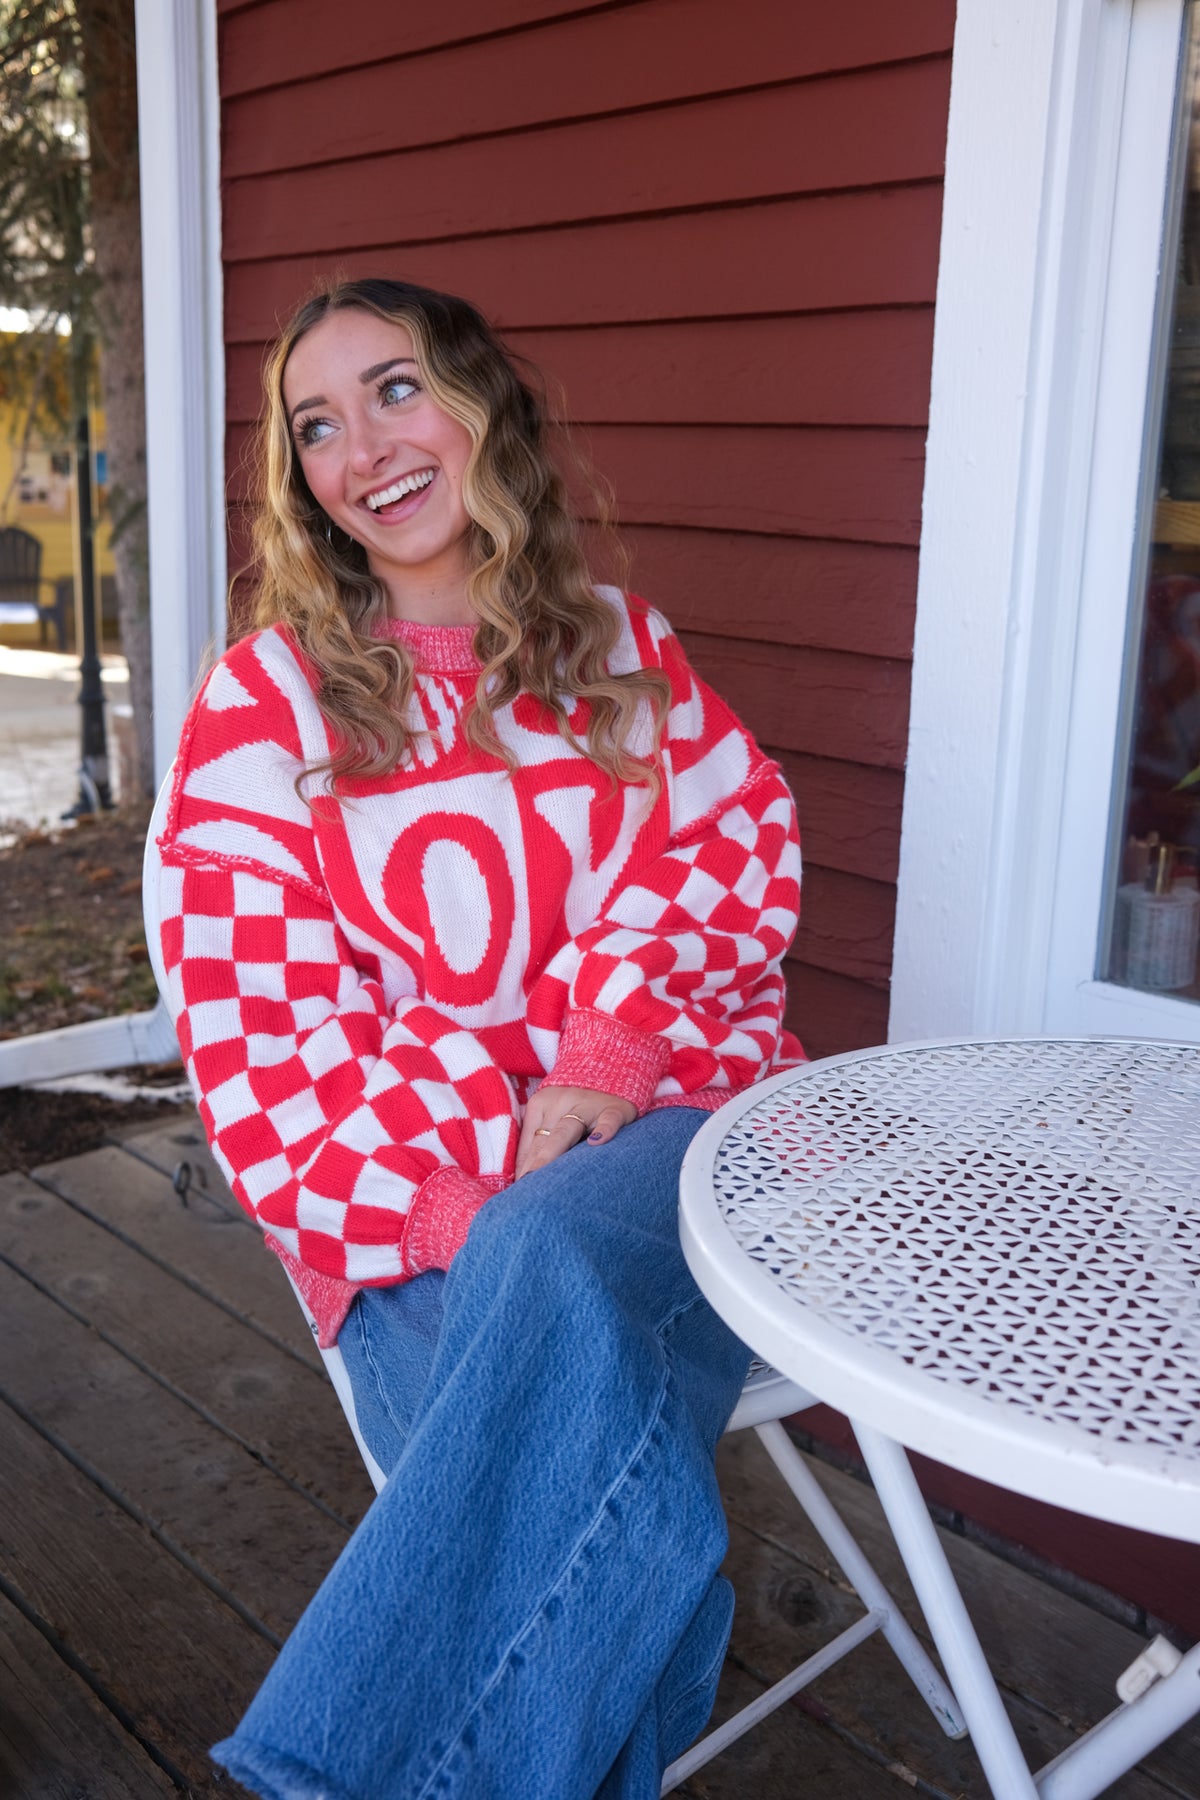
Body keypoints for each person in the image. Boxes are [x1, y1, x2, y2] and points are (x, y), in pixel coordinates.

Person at [154, 276, 803, 1800]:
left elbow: (734, 853)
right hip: (394, 1207)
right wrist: (468, 1203)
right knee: (592, 1459)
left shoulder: (615, 656)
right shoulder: (270, 710)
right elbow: (256, 1037)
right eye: (316, 423)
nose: (359, 446)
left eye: (393, 389)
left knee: (544, 1363)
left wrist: (607, 1049)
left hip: (663, 1147)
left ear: (478, 404)